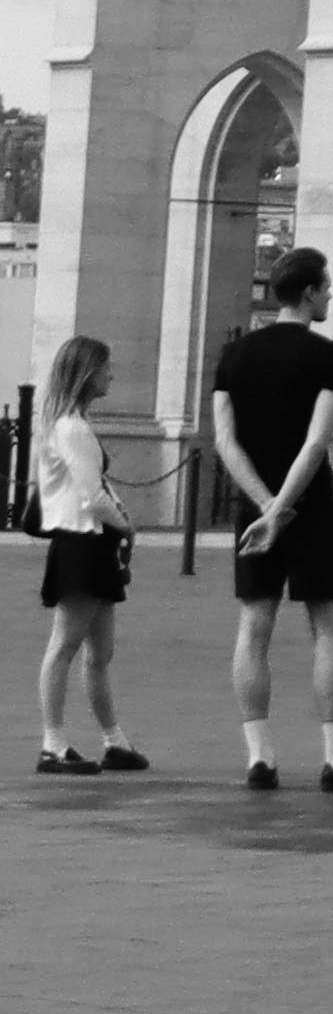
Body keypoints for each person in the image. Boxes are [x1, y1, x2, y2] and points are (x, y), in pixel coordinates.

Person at [207, 241, 333, 800]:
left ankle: (259, 755)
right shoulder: (327, 355)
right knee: (329, 627)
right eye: (326, 286)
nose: (330, 294)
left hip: (252, 509)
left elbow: (225, 441)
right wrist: (286, 505)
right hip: (308, 509)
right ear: (309, 292)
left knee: (253, 627)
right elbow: (315, 444)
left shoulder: (233, 356)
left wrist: (263, 505)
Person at [33, 332, 141, 774]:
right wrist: (127, 525)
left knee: (99, 651)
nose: (111, 375)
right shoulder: (72, 428)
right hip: (82, 542)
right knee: (65, 646)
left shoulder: (71, 424)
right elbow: (90, 496)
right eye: (105, 368)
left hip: (89, 544)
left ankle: (114, 740)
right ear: (87, 373)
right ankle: (53, 744)